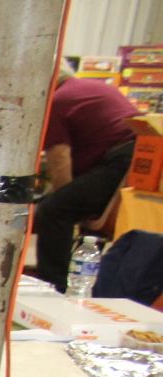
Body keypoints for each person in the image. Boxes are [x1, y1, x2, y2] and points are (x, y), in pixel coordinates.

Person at [33, 67, 139, 292]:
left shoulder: (57, 101)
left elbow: (60, 160)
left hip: (121, 158)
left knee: (53, 210)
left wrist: (62, 196)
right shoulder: (90, 86)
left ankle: (54, 287)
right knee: (81, 214)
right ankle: (84, 278)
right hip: (138, 156)